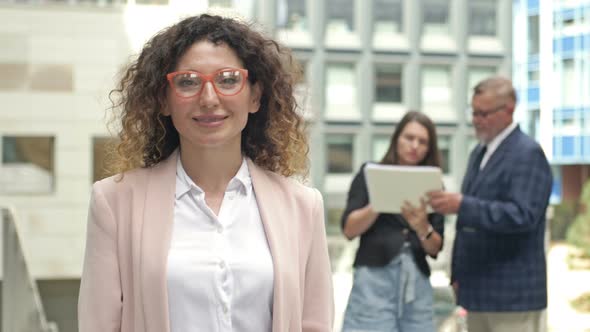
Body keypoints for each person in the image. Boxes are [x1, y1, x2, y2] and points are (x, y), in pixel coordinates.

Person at [78, 14, 334, 332]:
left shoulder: (303, 206)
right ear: (163, 100)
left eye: (228, 80)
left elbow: (315, 324)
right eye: (188, 82)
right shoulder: (114, 202)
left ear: (255, 96)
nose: (209, 99)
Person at [428, 76, 552, 332]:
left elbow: (523, 216)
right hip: (478, 293)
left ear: (509, 110)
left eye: (484, 113)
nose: (476, 120)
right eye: (474, 113)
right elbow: (468, 225)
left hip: (513, 298)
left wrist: (463, 205)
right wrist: (458, 275)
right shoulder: (479, 152)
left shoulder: (527, 153)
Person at [341, 111, 445, 332]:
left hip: (417, 283)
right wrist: (378, 202)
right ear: (397, 138)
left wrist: (421, 226)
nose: (414, 145)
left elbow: (436, 248)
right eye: (409, 137)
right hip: (374, 280)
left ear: (429, 148)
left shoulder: (434, 183)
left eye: (423, 141)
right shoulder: (370, 174)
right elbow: (349, 229)